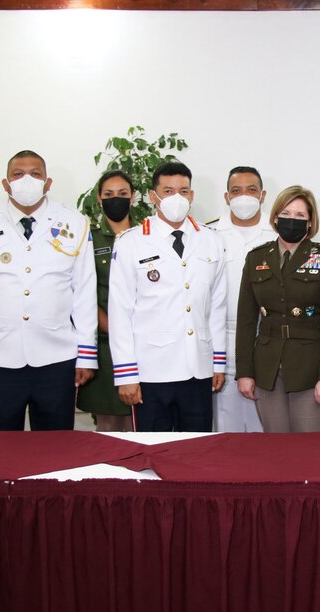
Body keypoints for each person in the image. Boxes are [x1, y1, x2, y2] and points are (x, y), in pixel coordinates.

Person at [0, 150, 97, 431]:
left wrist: (87, 354)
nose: (27, 180)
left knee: (55, 446)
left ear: (48, 183)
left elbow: (84, 292)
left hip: (57, 357)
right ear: (5, 183)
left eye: (35, 174)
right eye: (18, 175)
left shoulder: (75, 222)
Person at [108, 162, 226, 432]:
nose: (177, 197)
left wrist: (217, 362)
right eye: (168, 190)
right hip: (151, 372)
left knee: (196, 452)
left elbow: (216, 308)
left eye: (183, 191)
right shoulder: (131, 242)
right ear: (153, 196)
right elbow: (120, 313)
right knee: (152, 452)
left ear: (192, 195)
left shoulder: (211, 241)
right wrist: (126, 375)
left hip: (198, 369)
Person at [234, 186, 320, 432]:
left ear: (310, 223)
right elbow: (245, 320)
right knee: (276, 452)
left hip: (311, 370)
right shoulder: (256, 258)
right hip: (267, 369)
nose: (291, 220)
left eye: (300, 216)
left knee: (310, 452)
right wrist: (244, 372)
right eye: (286, 213)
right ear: (275, 217)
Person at [205, 166, 275, 432]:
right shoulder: (208, 234)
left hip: (267, 337)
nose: (243, 197)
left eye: (251, 190)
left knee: (266, 423)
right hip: (220, 338)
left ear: (263, 195)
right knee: (224, 424)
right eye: (236, 191)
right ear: (226, 197)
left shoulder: (279, 231)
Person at [76, 170, 136, 432]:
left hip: (143, 340)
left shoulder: (145, 234)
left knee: (143, 422)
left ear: (133, 197)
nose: (116, 199)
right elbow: (83, 291)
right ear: (99, 199)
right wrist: (113, 327)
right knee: (109, 424)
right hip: (106, 343)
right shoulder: (89, 238)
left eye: (123, 194)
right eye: (109, 195)